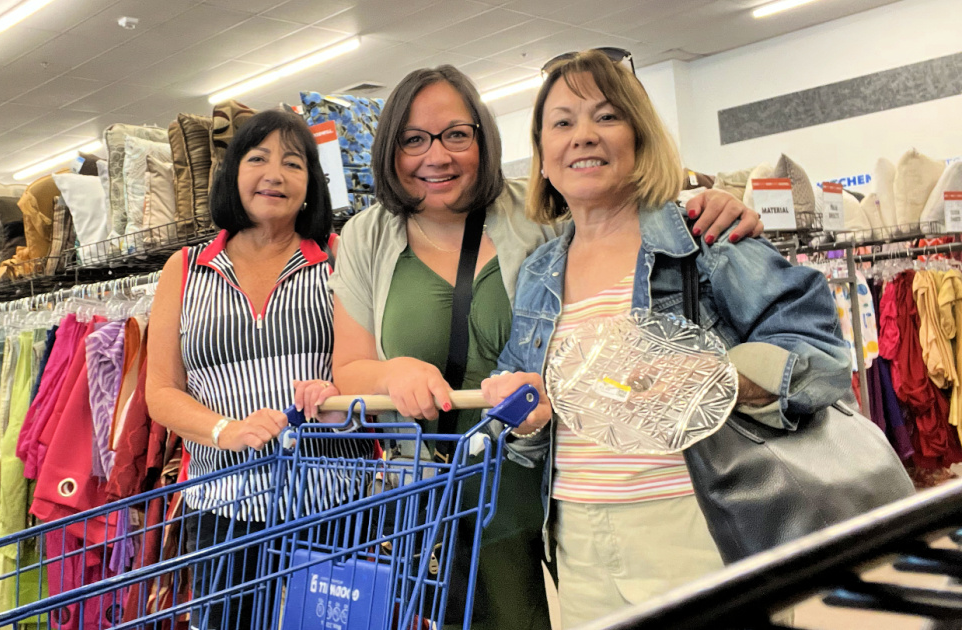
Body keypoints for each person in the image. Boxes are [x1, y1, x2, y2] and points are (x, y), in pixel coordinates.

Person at [322, 62, 765, 629]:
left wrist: (711, 209)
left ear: (484, 138)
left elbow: (618, 225)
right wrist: (393, 373)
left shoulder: (538, 210)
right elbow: (351, 368)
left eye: (457, 134)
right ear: (390, 150)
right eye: (413, 139)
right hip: (444, 489)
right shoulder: (366, 235)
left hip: (559, 475)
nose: (436, 156)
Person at [479, 50, 851, 627]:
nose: (583, 136)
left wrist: (713, 379)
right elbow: (532, 425)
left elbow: (821, 352)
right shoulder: (538, 271)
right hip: (577, 536)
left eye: (606, 117)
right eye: (562, 122)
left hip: (695, 521)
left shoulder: (704, 239)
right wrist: (524, 415)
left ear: (640, 139)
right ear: (544, 158)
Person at [144, 108, 367, 630]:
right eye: (258, 158)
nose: (275, 174)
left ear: (311, 183)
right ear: (233, 174)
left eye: (293, 163)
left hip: (333, 503)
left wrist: (336, 393)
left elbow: (365, 366)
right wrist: (226, 430)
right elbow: (161, 391)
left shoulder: (340, 258)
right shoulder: (184, 269)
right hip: (221, 510)